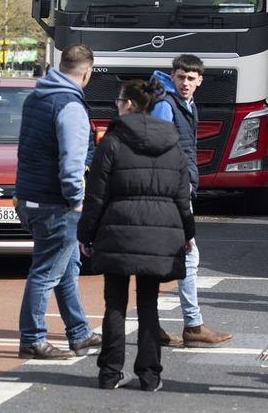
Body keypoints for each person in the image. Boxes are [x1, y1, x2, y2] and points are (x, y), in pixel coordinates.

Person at [78, 79, 195, 391]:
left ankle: (110, 372)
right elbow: (182, 196)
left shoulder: (113, 142)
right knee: (148, 303)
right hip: (161, 232)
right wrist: (188, 233)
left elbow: (96, 195)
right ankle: (149, 374)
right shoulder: (171, 142)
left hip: (118, 229)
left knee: (114, 303)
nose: (117, 105)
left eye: (119, 100)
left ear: (129, 104)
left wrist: (85, 234)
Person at [14, 44, 101, 360]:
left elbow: (26, 149)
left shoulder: (36, 97)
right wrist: (76, 199)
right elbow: (72, 162)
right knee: (47, 271)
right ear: (87, 72)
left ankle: (79, 332)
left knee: (65, 267)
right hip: (56, 202)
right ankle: (32, 339)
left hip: (31, 196)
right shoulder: (71, 106)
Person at [150, 54, 232, 348]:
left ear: (200, 81)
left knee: (165, 257)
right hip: (172, 190)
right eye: (180, 77)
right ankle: (192, 326)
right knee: (187, 255)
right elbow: (157, 146)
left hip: (179, 186)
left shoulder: (186, 105)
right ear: (173, 76)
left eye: (190, 78)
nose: (185, 82)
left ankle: (156, 325)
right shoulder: (165, 104)